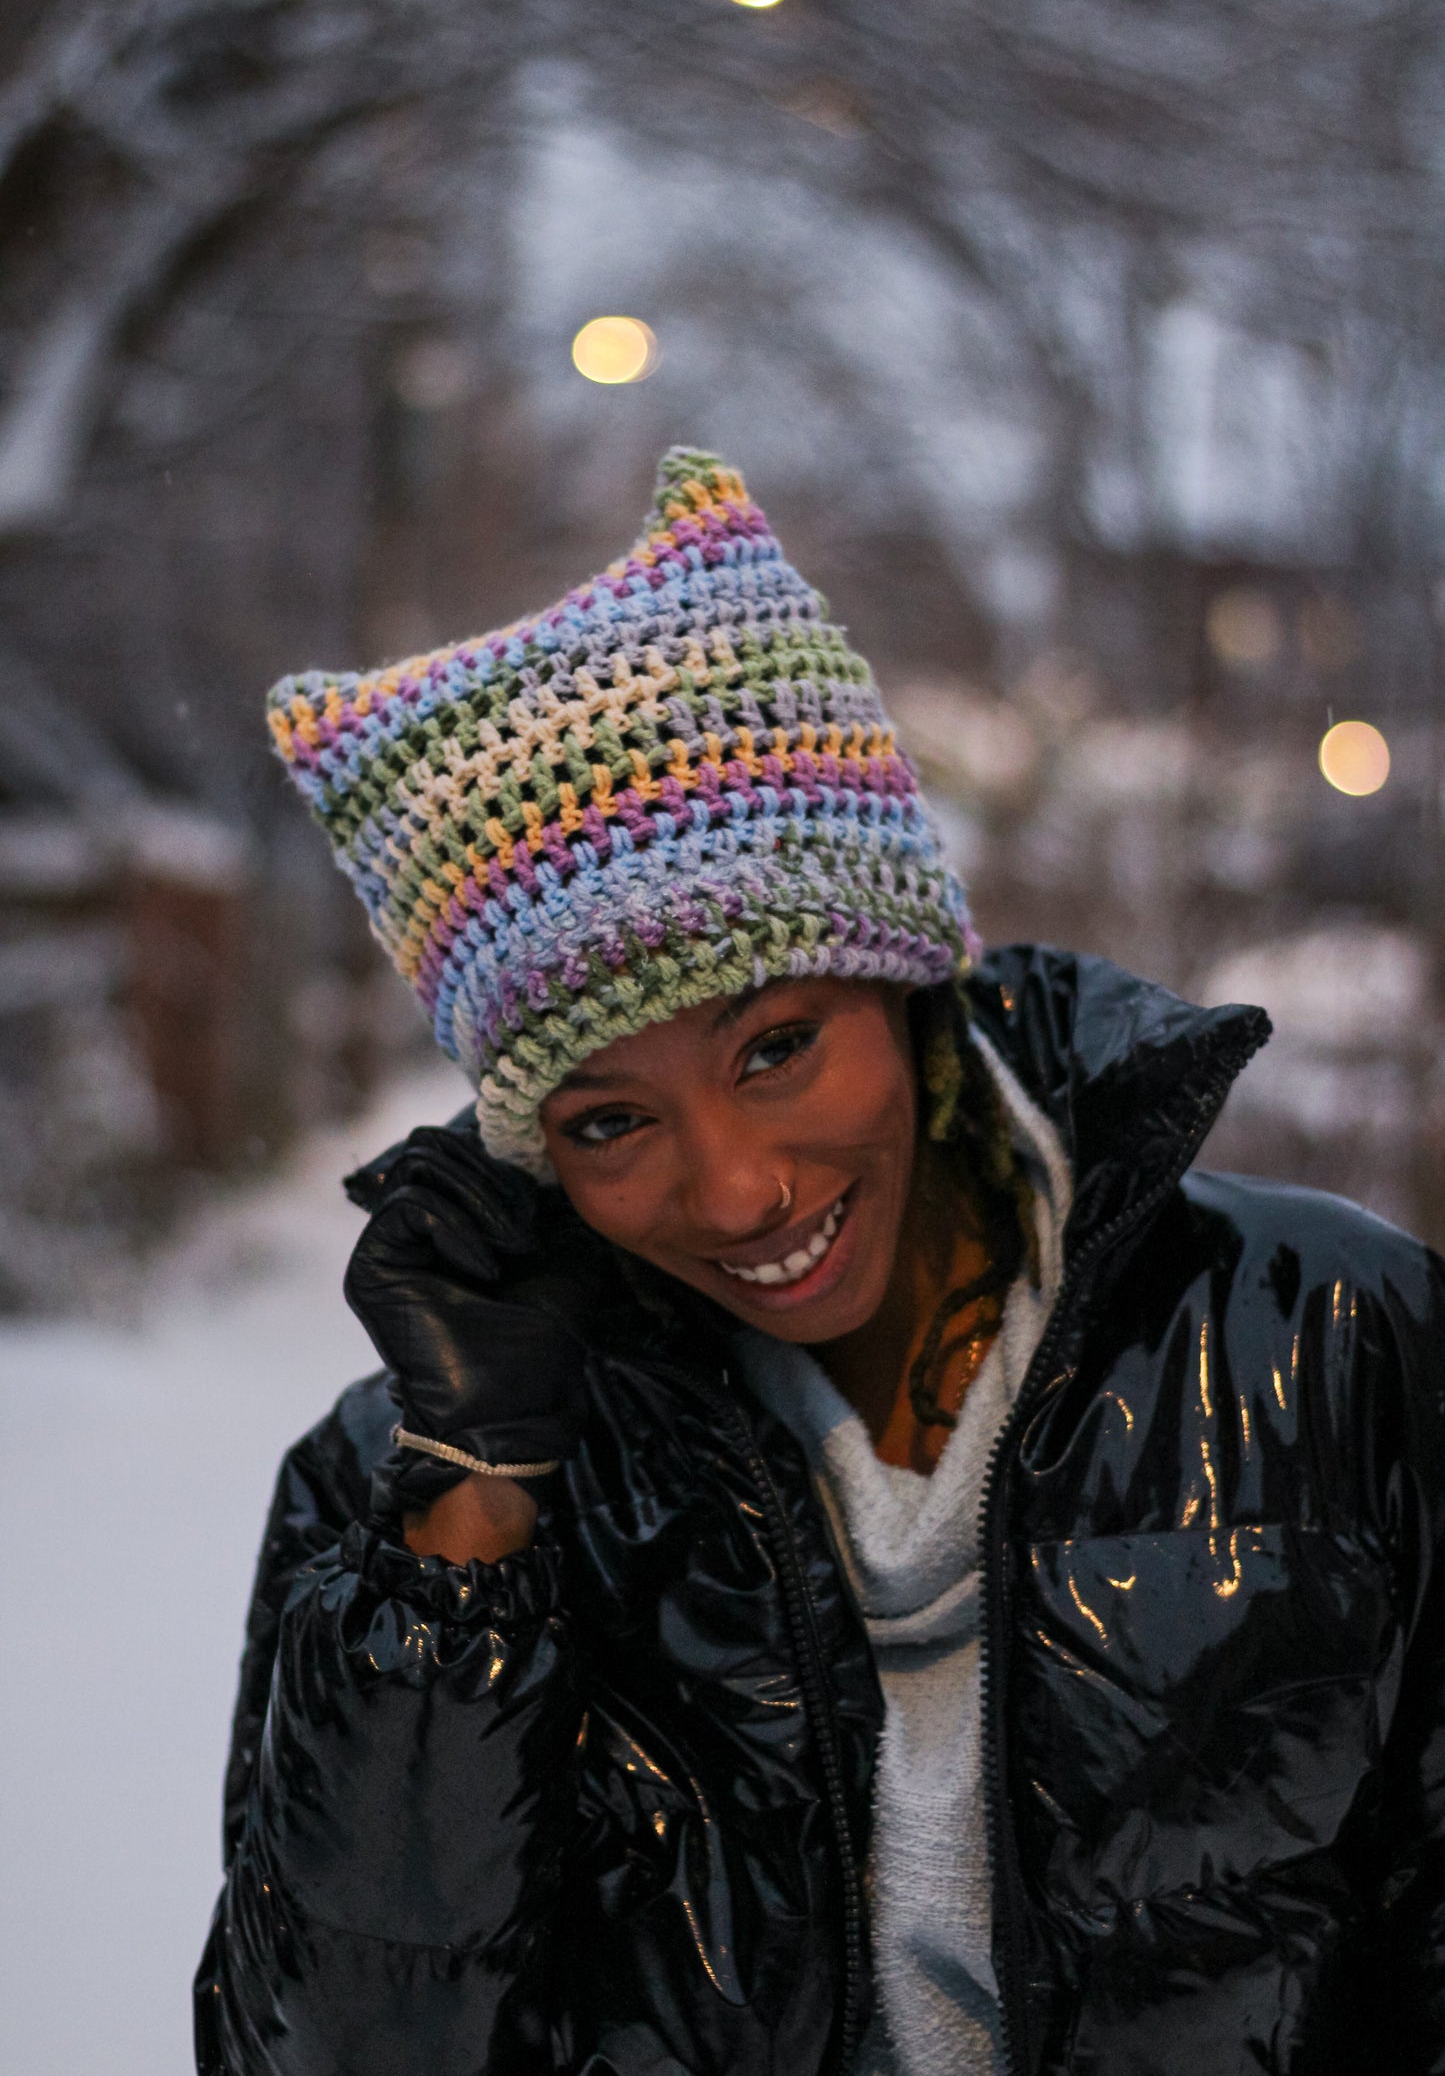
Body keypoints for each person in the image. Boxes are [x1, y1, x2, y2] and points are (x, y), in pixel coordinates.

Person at [196, 449, 1445, 2076]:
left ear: (907, 978)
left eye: (777, 1046)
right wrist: (463, 1552)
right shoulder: (405, 1502)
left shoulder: (1322, 1343)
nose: (737, 1189)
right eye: (607, 1123)